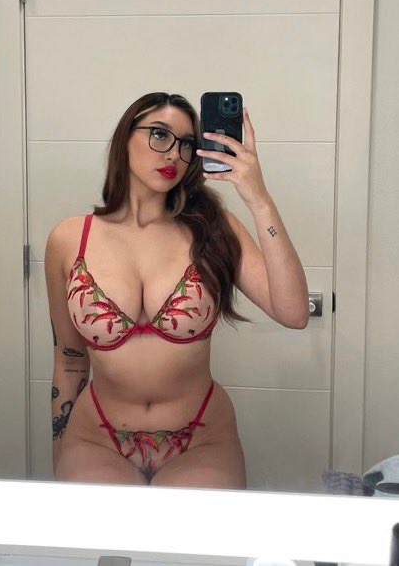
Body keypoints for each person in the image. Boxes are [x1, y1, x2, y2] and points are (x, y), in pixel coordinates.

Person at [44, 92, 309, 489]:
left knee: (191, 530)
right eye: (159, 134)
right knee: (101, 529)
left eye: (186, 144)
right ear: (124, 138)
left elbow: (294, 312)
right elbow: (69, 361)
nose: (173, 154)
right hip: (96, 439)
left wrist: (259, 199)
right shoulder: (69, 239)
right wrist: (60, 448)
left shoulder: (214, 229)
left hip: (201, 440)